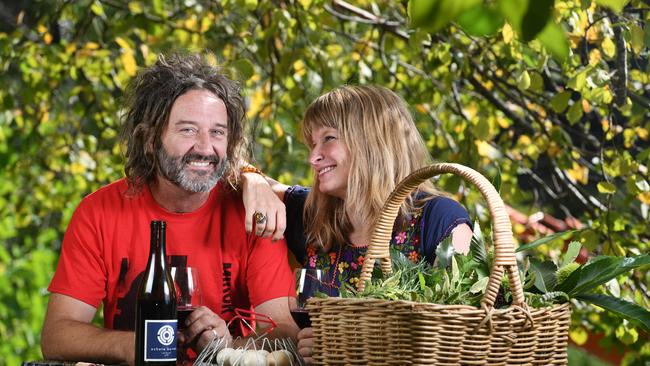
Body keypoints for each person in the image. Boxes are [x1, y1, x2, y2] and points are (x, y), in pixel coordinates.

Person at [41, 53, 299, 365]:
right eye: (188, 130)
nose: (205, 147)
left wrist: (229, 344)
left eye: (217, 132)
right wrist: (135, 346)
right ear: (150, 139)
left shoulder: (254, 213)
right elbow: (57, 335)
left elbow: (287, 334)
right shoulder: (100, 212)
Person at [242, 85, 473, 363]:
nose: (312, 157)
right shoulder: (312, 216)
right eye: (312, 144)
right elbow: (218, 163)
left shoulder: (440, 219)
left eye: (328, 138)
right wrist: (251, 177)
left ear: (372, 141)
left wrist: (346, 345)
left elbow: (462, 335)